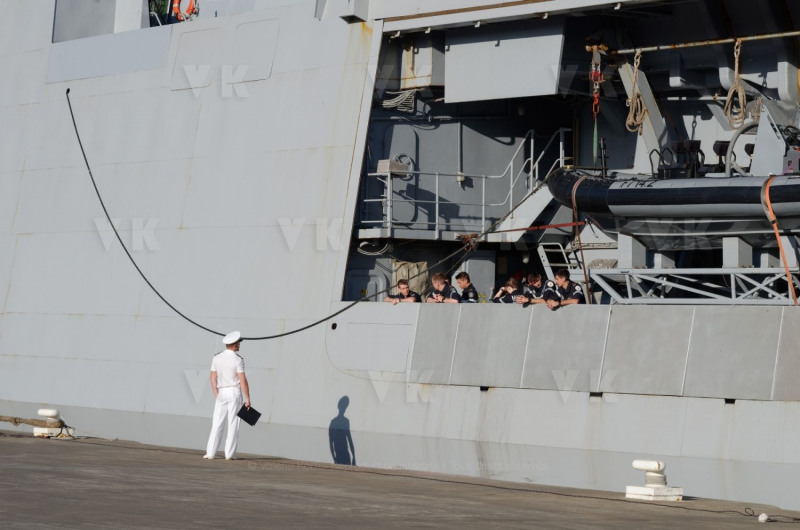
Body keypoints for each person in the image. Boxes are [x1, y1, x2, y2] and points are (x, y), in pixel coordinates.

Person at [203, 330, 251, 460]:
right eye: (238, 343)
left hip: (221, 392)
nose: (239, 345)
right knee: (233, 423)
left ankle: (210, 453)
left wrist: (217, 394)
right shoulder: (238, 360)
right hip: (234, 392)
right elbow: (243, 381)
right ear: (234, 345)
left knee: (217, 423)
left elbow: (212, 377)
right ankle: (229, 454)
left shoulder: (216, 358)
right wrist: (247, 399)